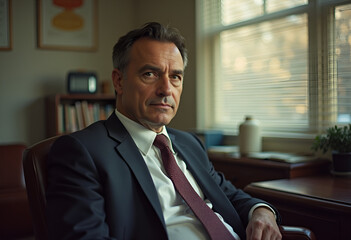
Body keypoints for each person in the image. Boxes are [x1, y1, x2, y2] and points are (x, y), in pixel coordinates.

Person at [46, 22, 282, 240]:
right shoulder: (82, 152)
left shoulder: (190, 143)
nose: (166, 89)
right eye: (150, 74)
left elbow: (227, 194)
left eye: (175, 76)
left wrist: (260, 211)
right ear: (119, 81)